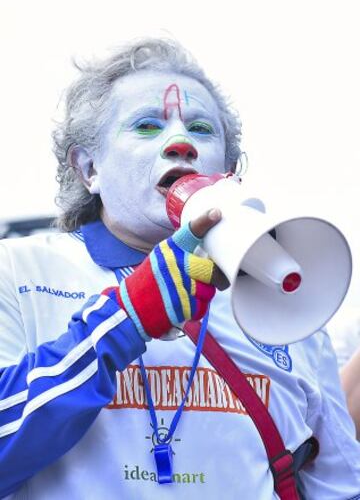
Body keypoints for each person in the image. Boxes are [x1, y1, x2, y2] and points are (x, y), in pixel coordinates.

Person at [0, 37, 359, 500]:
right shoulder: (18, 271)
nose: (181, 143)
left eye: (202, 129)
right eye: (148, 126)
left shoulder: (284, 301)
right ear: (89, 168)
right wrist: (126, 318)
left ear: (228, 172)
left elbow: (338, 484)